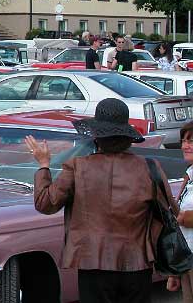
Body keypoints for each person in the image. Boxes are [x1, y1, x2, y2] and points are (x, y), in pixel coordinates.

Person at [26, 98, 172, 303]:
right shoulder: (149, 167)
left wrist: (43, 165)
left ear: (96, 136)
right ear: (126, 137)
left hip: (92, 263)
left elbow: (45, 203)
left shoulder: (77, 167)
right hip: (137, 263)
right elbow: (167, 215)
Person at [168, 121, 193, 300]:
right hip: (187, 260)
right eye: (184, 141)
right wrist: (174, 271)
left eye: (191, 141)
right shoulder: (189, 175)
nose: (185, 146)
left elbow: (181, 218)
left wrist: (186, 218)